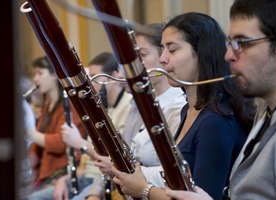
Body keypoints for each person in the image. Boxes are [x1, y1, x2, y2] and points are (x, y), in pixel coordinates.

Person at [111, 12, 257, 200]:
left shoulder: (215, 121)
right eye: (162, 49)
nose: (163, 59)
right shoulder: (187, 110)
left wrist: (144, 189)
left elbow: (204, 196)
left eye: (172, 50)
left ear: (202, 53)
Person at [165, 0, 276, 199]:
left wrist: (144, 189)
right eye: (230, 43)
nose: (228, 55)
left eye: (241, 43)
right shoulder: (266, 113)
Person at [85, 23, 187, 200]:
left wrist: (121, 170)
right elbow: (120, 157)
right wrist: (94, 194)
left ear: (163, 57)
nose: (129, 65)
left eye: (141, 55)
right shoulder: (136, 105)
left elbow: (180, 174)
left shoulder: (178, 106)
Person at [52, 52, 133, 200]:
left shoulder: (129, 106)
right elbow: (85, 166)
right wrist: (66, 179)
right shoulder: (97, 106)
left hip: (106, 180)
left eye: (95, 76)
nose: (89, 82)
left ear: (115, 75)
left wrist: (80, 144)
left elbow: (116, 158)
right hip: (88, 177)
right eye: (89, 76)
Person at [25, 55, 86, 200]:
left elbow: (59, 143)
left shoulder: (70, 105)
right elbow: (37, 147)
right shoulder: (47, 106)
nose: (36, 79)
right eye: (35, 74)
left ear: (54, 74)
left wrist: (25, 130)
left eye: (40, 73)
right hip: (44, 173)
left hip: (62, 174)